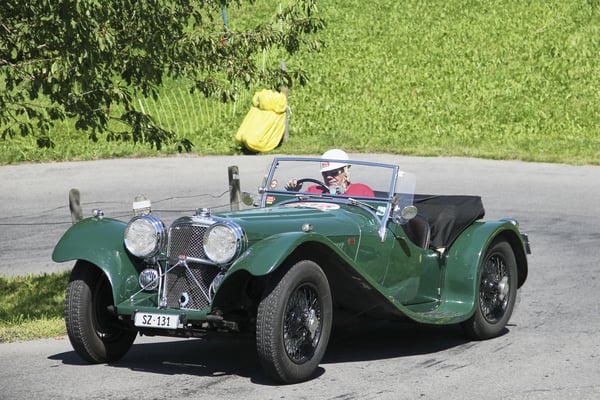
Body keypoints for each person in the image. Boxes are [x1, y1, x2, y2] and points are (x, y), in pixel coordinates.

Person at [286, 149, 375, 196]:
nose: (328, 177)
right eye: (325, 173)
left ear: (346, 171)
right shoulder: (313, 191)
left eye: (334, 172)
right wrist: (292, 192)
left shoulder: (362, 191)